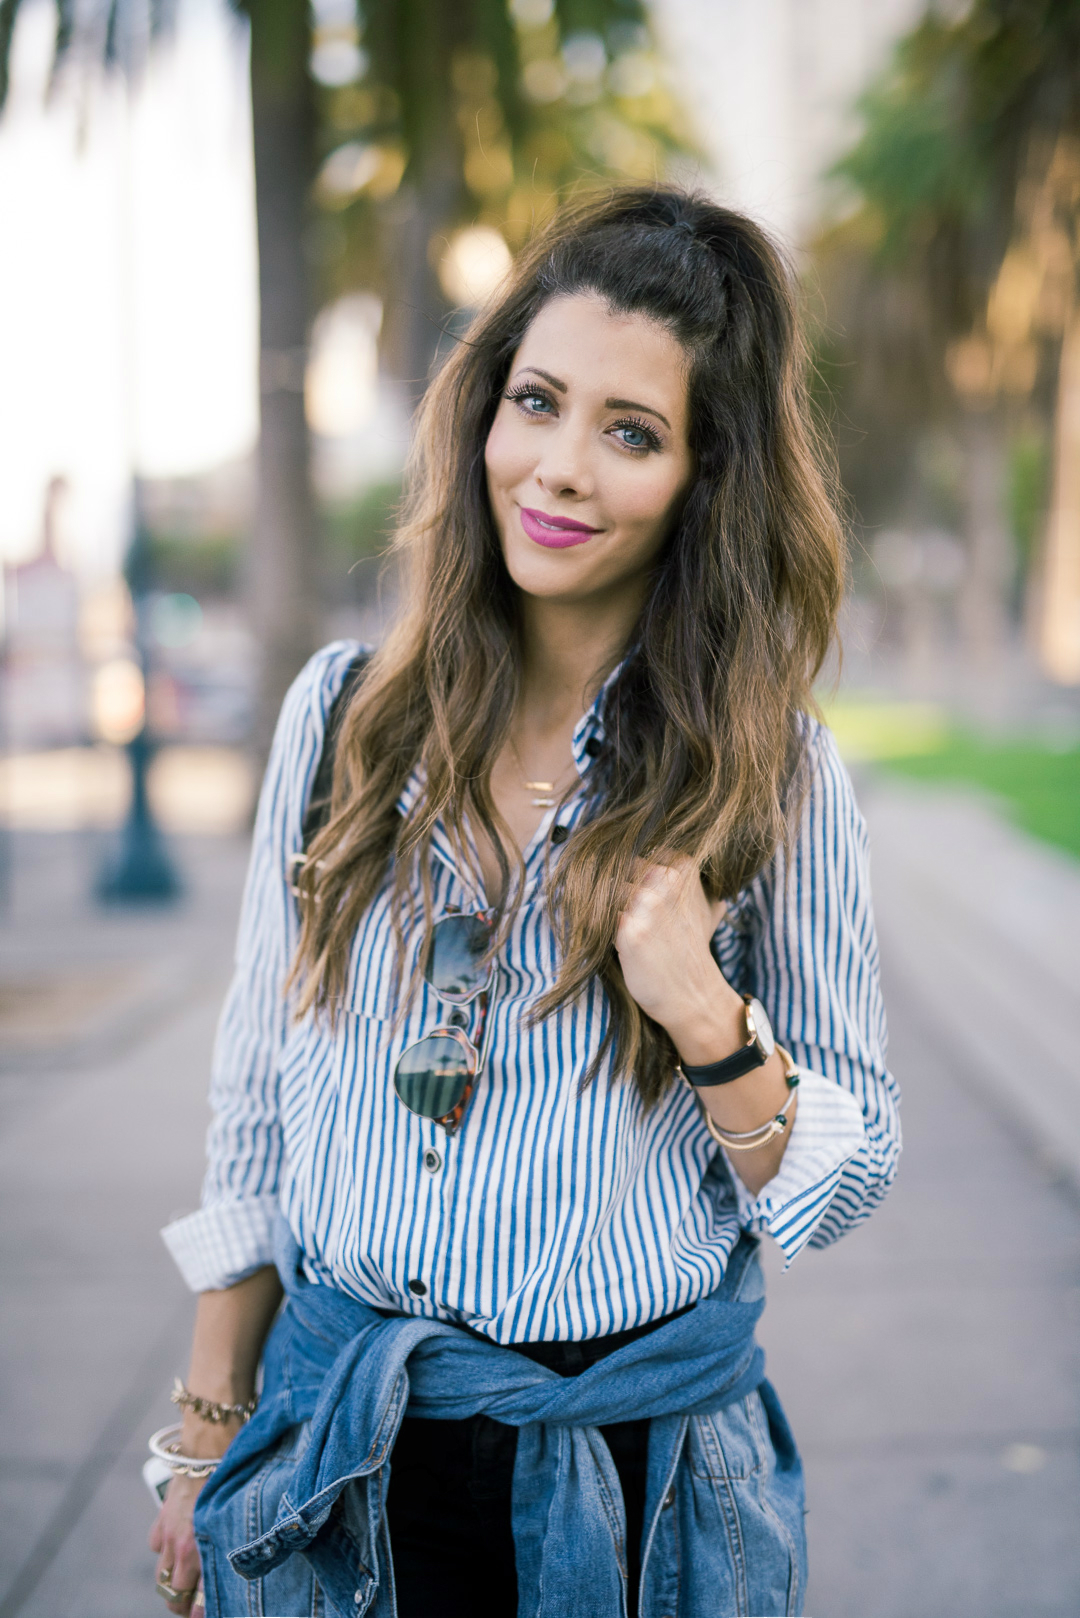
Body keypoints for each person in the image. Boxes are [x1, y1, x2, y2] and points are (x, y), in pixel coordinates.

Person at [148, 186, 900, 1618]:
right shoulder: (339, 720)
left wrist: (705, 1014)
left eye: (631, 431)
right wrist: (201, 1426)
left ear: (701, 477)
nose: (559, 466)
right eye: (537, 400)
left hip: (637, 1481)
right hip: (335, 1463)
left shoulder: (772, 772)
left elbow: (847, 1178)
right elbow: (256, 1101)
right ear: (480, 415)